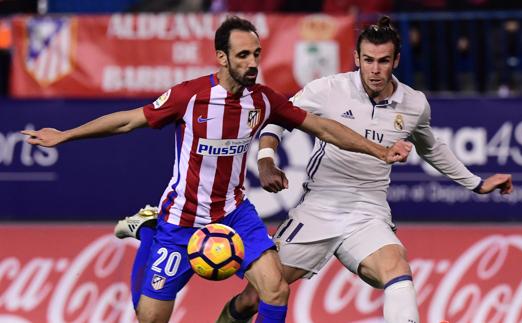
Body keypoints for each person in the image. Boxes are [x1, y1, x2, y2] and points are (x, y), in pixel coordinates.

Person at [21, 16, 411, 323]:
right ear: (222, 57)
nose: (253, 63)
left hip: (235, 216)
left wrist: (379, 150)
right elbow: (127, 121)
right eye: (243, 56)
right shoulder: (189, 97)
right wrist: (67, 135)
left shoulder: (263, 99)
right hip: (182, 219)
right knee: (149, 318)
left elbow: (323, 127)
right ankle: (150, 230)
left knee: (275, 290)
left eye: (257, 54)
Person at [216, 16, 514, 323]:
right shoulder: (327, 89)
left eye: (383, 61)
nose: (375, 69)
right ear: (356, 58)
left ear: (396, 60)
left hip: (367, 212)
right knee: (256, 296)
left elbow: (432, 149)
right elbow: (279, 119)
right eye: (368, 60)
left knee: (397, 267)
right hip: (319, 207)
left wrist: (477, 184)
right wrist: (266, 159)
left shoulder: (414, 104)